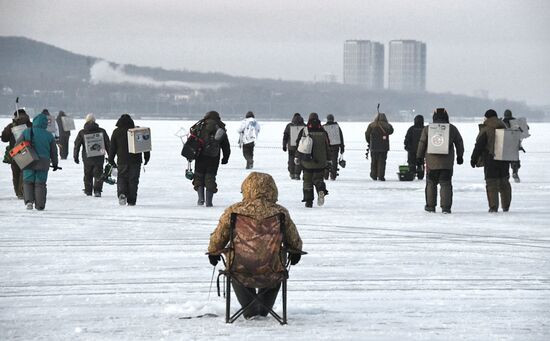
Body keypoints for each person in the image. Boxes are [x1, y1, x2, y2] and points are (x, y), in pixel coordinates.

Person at [207, 172, 303, 319]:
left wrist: (213, 252)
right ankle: (263, 309)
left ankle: (250, 309)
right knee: (278, 264)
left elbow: (218, 238)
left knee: (237, 269)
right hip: (272, 268)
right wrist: (295, 251)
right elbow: (294, 240)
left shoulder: (234, 211)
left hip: (240, 268)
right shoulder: (280, 212)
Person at [416, 108, 464, 214]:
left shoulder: (428, 129)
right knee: (446, 184)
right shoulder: (452, 129)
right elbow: (459, 142)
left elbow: (422, 143)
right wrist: (460, 156)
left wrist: (419, 157)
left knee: (431, 184)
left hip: (431, 163)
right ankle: (446, 208)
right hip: (447, 163)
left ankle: (430, 206)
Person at [470, 109, 512, 213]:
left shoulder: (486, 129)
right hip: (504, 160)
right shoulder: (505, 127)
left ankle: (493, 207)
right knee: (504, 183)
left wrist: (473, 159)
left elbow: (479, 146)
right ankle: (506, 206)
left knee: (492, 184)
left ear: (487, 118)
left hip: (491, 160)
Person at [19, 110, 60, 210]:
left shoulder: (26, 131)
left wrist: (20, 159)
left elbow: (18, 146)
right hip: (43, 162)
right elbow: (54, 152)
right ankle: (40, 205)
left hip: (28, 160)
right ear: (45, 123)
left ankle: (29, 201)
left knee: (28, 181)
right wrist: (55, 164)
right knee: (40, 183)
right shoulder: (49, 135)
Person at [108, 114, 150, 206]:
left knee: (122, 178)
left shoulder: (116, 132)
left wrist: (111, 160)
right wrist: (147, 157)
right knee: (133, 180)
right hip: (136, 161)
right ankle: (131, 200)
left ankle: (122, 194)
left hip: (122, 160)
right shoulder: (136, 131)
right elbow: (145, 145)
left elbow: (112, 148)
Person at [192, 111, 230, 207]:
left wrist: (190, 154)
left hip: (200, 155)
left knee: (199, 176)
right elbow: (225, 145)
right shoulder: (220, 127)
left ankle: (200, 199)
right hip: (213, 157)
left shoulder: (200, 125)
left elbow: (192, 140)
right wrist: (225, 157)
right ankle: (209, 202)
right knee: (210, 177)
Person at [296, 112, 330, 207]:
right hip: (321, 162)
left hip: (307, 161)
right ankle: (320, 190)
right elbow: (328, 146)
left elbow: (299, 145)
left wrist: (297, 156)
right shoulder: (323, 131)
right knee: (318, 178)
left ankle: (308, 201)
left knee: (307, 181)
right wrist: (329, 159)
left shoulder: (305, 131)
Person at [73, 114, 110, 197]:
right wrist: (110, 156)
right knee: (98, 173)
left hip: (87, 157)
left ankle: (88, 191)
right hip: (99, 156)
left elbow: (77, 145)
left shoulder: (82, 132)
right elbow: (108, 144)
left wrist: (75, 156)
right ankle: (97, 191)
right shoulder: (102, 131)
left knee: (87, 174)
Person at [2, 109, 32, 199]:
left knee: (16, 174)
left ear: (15, 116)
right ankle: (22, 192)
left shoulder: (11, 125)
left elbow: (4, 138)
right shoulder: (30, 125)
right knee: (25, 172)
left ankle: (17, 192)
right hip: (27, 151)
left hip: (15, 151)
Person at [365, 112, 394, 181]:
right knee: (382, 161)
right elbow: (391, 131)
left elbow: (367, 134)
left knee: (374, 161)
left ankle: (373, 175)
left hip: (374, 146)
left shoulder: (371, 125)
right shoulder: (387, 125)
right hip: (384, 146)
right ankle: (381, 176)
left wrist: (369, 141)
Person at [502, 109, 525, 183]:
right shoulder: (515, 122)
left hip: (505, 145)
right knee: (515, 160)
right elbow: (524, 129)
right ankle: (515, 172)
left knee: (505, 162)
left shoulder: (502, 122)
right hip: (514, 144)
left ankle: (505, 176)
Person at [282, 113, 306, 180]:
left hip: (291, 146)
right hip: (301, 146)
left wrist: (284, 145)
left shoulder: (289, 125)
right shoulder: (304, 126)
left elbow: (285, 136)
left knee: (291, 160)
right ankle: (297, 174)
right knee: (299, 160)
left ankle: (292, 173)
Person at [322, 114, 345, 180]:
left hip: (326, 148)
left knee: (326, 161)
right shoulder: (337, 127)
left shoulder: (323, 127)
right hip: (335, 147)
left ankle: (325, 176)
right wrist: (342, 147)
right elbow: (341, 138)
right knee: (334, 161)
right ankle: (333, 175)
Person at [404, 114, 425, 179]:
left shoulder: (411, 129)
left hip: (411, 150)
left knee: (411, 163)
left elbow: (407, 139)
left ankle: (411, 175)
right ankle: (420, 175)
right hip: (422, 150)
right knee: (421, 163)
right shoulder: (425, 129)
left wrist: (407, 146)